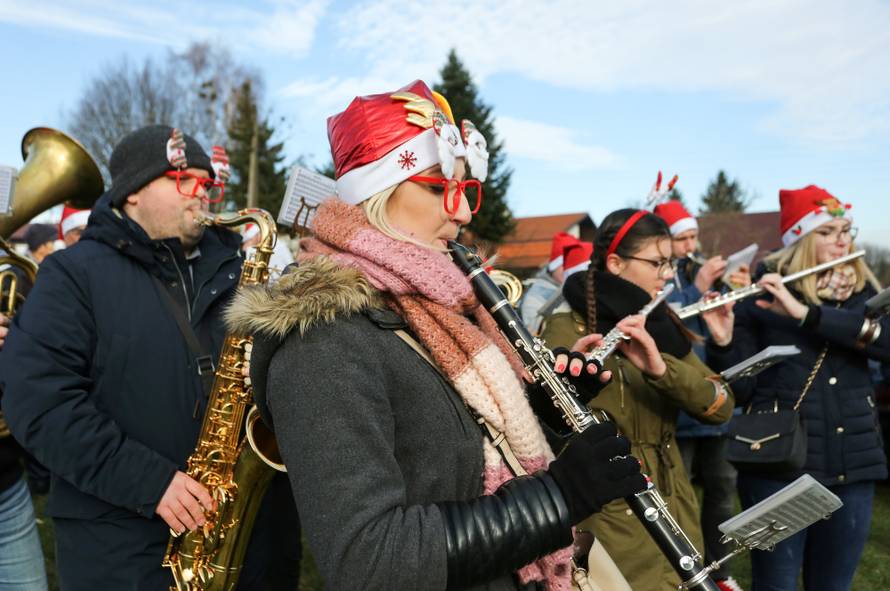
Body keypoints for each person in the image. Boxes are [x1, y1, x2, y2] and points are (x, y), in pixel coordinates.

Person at [225, 80, 647, 591]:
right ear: (376, 195)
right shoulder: (323, 342)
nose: (463, 212)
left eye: (466, 189)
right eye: (438, 186)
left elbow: (453, 456)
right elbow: (367, 563)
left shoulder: (445, 307)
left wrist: (541, 410)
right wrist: (557, 498)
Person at [0, 125, 299, 589]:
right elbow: (39, 402)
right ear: (133, 192)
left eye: (206, 182)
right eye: (184, 180)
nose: (201, 193)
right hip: (123, 551)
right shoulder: (71, 274)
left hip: (246, 543)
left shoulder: (240, 272)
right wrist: (150, 482)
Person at [540, 208, 735, 591]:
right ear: (615, 263)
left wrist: (660, 369)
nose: (669, 275)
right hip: (613, 510)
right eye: (657, 263)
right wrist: (570, 383)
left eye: (670, 263)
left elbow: (721, 405)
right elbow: (545, 430)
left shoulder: (659, 323)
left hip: (674, 498)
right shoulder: (566, 328)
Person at [705, 185, 888, 591]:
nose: (842, 240)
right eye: (828, 231)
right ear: (801, 240)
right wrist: (722, 343)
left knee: (833, 585)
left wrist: (806, 315)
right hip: (778, 466)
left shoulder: (865, 298)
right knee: (776, 584)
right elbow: (743, 391)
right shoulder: (759, 301)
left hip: (853, 465)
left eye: (846, 230)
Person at [653, 198, 748, 591]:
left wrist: (732, 289)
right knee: (679, 495)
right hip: (678, 405)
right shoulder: (660, 272)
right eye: (683, 238)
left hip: (713, 398)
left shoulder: (697, 269)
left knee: (722, 489)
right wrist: (698, 288)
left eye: (694, 236)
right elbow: (663, 318)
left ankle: (720, 569)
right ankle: (683, 570)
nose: (691, 245)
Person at [519, 231, 577, 331]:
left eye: (572, 265)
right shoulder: (535, 296)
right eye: (563, 264)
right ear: (553, 266)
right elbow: (534, 331)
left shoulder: (574, 287)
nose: (568, 270)